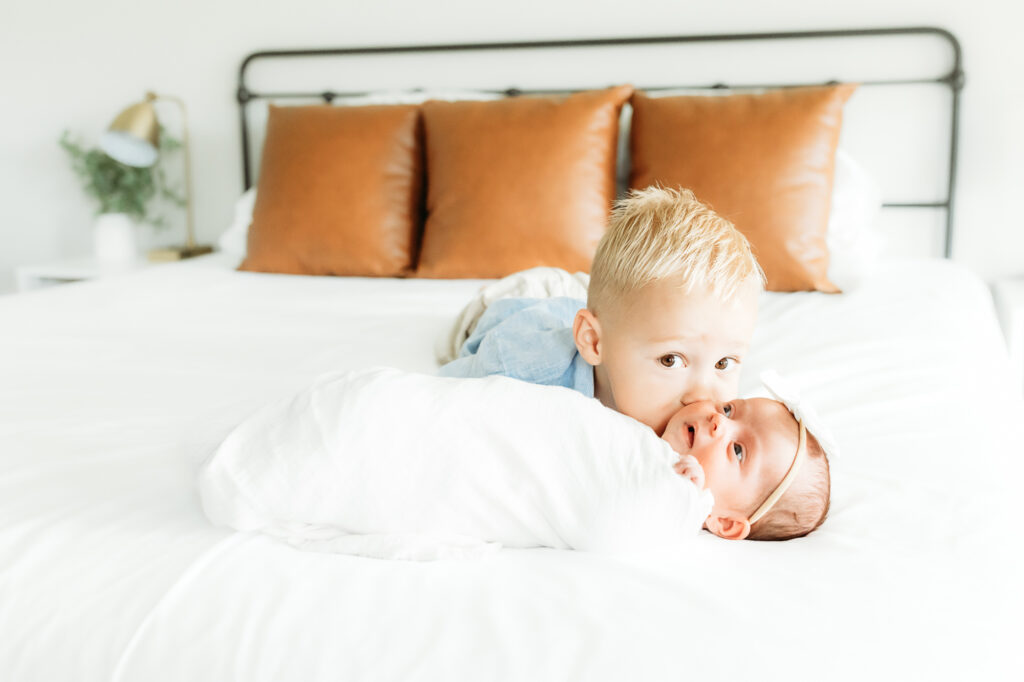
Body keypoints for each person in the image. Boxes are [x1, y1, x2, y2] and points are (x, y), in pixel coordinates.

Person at [439, 186, 765, 435]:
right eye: (671, 359)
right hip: (520, 312)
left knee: (615, 304)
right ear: (595, 343)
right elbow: (436, 403)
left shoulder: (715, 419)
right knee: (497, 309)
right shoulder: (516, 375)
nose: (702, 397)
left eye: (724, 363)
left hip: (581, 315)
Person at [667, 394, 832, 541]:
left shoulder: (670, 519)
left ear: (726, 523)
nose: (719, 419)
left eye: (737, 451)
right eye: (728, 410)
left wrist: (682, 493)